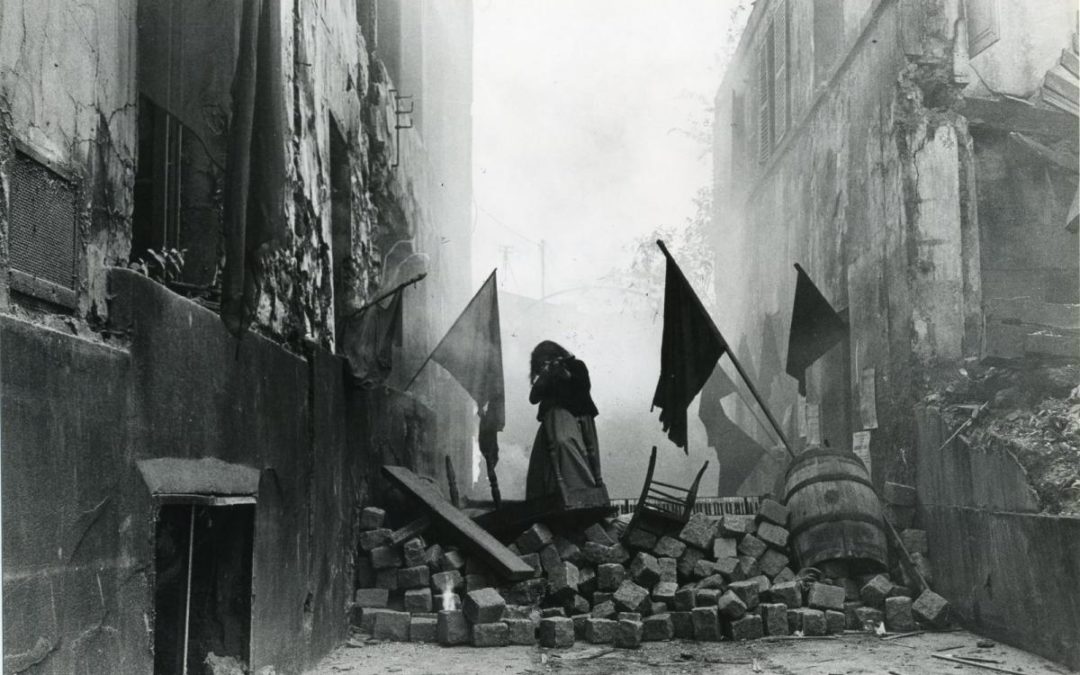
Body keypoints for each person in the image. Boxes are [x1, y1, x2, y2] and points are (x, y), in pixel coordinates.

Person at [525, 340, 603, 500]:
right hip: (554, 423)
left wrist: (566, 375)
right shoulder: (546, 375)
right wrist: (544, 377)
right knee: (544, 467)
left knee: (567, 448)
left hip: (575, 421)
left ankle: (580, 494)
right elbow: (533, 398)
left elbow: (584, 389)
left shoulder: (576, 366)